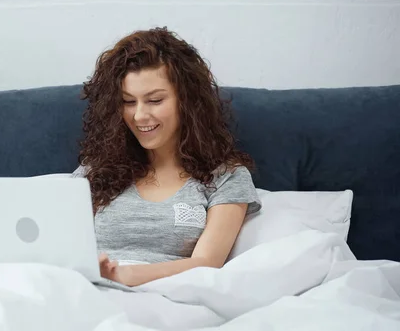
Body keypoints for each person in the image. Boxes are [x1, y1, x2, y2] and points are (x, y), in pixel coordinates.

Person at [72, 27, 262, 287]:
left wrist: (124, 275)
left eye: (154, 100)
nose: (139, 116)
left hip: (168, 298)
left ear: (187, 101)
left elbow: (207, 262)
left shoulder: (227, 178)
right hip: (89, 292)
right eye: (128, 102)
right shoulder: (94, 172)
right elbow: (60, 247)